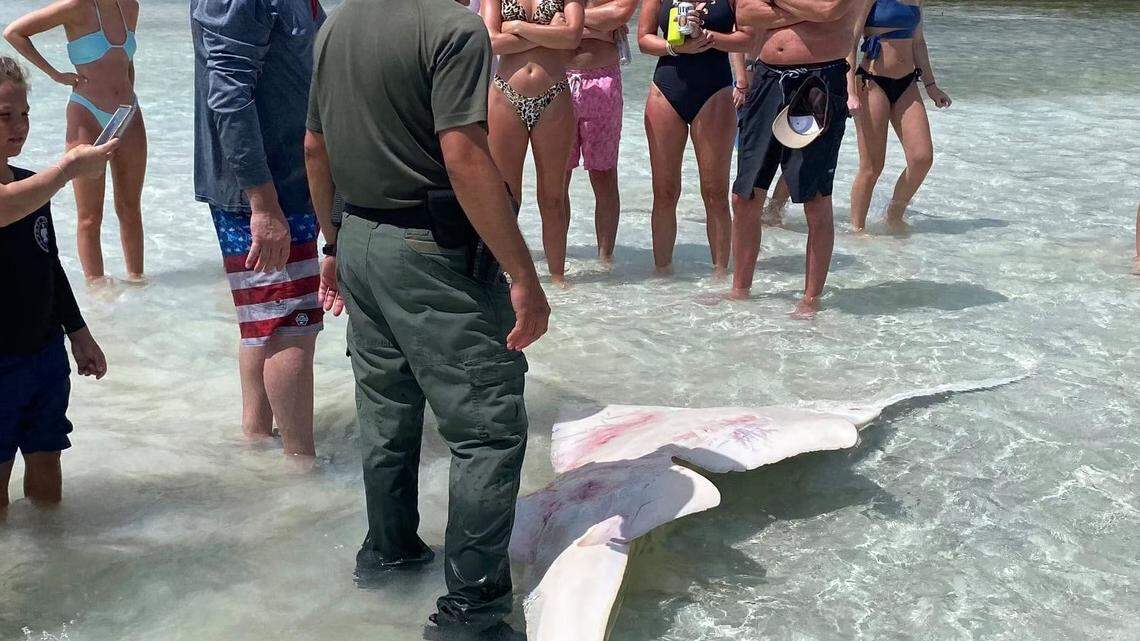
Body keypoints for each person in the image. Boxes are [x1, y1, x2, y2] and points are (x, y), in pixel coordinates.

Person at [304, 0, 551, 637]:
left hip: (359, 236)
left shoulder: (337, 25)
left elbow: (314, 147)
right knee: (488, 429)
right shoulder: (453, 27)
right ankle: (473, 613)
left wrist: (333, 243)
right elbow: (465, 157)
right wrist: (522, 274)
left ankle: (387, 554)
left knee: (387, 410)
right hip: (428, 250)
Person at [190, 0, 325, 464]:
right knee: (292, 323)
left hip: (284, 182)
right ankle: (301, 465)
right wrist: (263, 204)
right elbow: (227, 91)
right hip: (268, 189)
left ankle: (256, 445)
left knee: (264, 322)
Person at [0, 57, 113, 509]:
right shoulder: (28, 192)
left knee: (47, 468)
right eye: (4, 115)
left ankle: (57, 561)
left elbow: (51, 265)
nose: (19, 125)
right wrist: (67, 170)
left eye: (24, 113)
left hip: (44, 355)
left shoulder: (30, 184)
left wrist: (79, 333)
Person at [732, 0, 868, 316]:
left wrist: (777, 6)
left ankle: (810, 299)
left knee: (815, 197)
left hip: (820, 79)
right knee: (745, 194)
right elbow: (744, 13)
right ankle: (739, 290)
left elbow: (831, 9)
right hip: (766, 79)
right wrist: (806, 11)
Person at [4, 0, 147, 285]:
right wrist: (55, 75)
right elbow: (14, 32)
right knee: (89, 216)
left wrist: (127, 94)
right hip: (87, 112)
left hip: (128, 112)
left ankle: (138, 285)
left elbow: (126, 64)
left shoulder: (131, 6)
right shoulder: (76, 6)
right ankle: (98, 298)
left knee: (130, 207)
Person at [638, 0, 753, 277]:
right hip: (666, 86)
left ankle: (720, 275)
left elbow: (748, 37)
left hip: (714, 88)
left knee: (714, 192)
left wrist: (713, 39)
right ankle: (662, 274)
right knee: (664, 191)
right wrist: (674, 47)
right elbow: (643, 39)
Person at [481, 0, 584, 286]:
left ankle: (557, 278)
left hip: (554, 93)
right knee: (507, 196)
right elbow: (490, 41)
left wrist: (516, 27)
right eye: (515, 25)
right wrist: (547, 36)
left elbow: (573, 37)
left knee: (553, 197)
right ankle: (509, 274)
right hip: (505, 94)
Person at [848, 0, 951, 233]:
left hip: (907, 83)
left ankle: (894, 215)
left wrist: (932, 86)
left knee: (922, 158)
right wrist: (849, 90)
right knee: (872, 166)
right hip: (872, 81)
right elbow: (851, 41)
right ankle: (857, 230)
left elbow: (919, 43)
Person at [563, 0, 637, 265]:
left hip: (603, 79)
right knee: (558, 175)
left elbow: (619, 13)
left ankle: (606, 259)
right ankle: (558, 258)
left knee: (604, 173)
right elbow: (544, 20)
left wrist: (572, 23)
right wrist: (599, 27)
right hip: (559, 77)